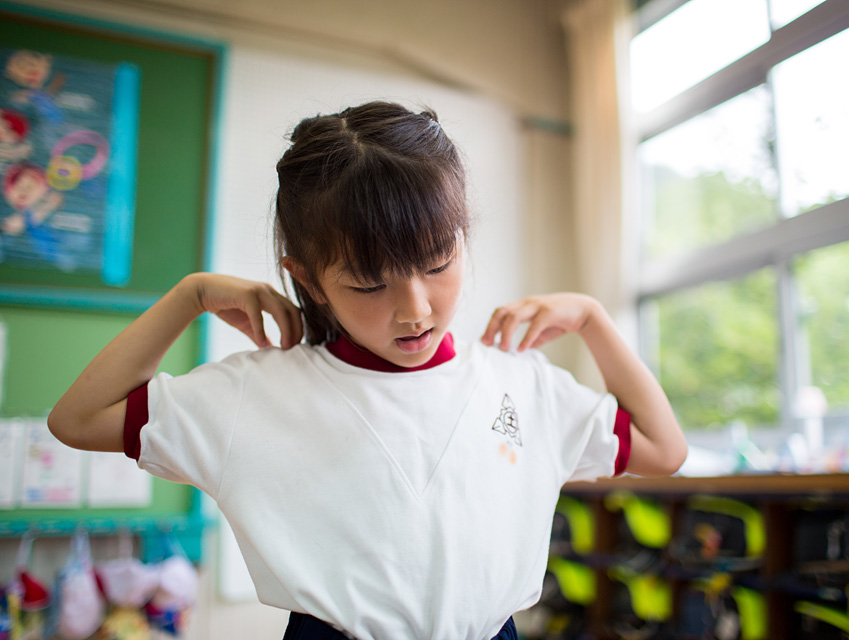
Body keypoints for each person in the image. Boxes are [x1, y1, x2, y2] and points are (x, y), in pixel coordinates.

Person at [48, 101, 687, 640]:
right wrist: (188, 297)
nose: (415, 310)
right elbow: (77, 419)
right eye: (368, 283)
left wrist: (594, 321)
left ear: (463, 236)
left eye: (437, 264)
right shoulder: (258, 392)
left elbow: (663, 449)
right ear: (308, 280)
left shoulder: (521, 383)